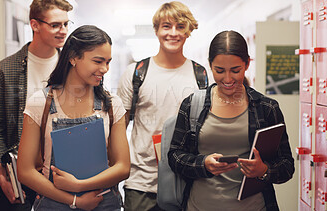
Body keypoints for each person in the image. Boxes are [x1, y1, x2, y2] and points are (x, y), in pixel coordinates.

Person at [168, 30, 295, 211]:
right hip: (199, 206)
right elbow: (174, 156)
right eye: (219, 71)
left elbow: (287, 166)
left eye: (236, 70)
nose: (228, 79)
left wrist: (264, 170)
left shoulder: (267, 108)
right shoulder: (192, 104)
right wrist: (202, 164)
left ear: (247, 64)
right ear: (210, 65)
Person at [17, 25, 130, 210]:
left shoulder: (111, 105)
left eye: (108, 62)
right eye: (98, 61)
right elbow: (25, 171)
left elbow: (123, 167)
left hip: (102, 202)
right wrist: (74, 200)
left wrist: (79, 186)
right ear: (73, 57)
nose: (105, 69)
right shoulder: (40, 102)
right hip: (53, 203)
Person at [117, 1, 206, 210]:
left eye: (180, 26)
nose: (173, 33)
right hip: (141, 183)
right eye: (166, 26)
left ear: (188, 31)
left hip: (186, 181)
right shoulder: (136, 73)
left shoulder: (201, 75)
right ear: (156, 30)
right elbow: (118, 129)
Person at [0, 0, 73, 210]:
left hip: (61, 173)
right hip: (18, 177)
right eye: (55, 25)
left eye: (66, 24)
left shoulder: (71, 68)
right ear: (34, 25)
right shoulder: (5, 69)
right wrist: (2, 174)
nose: (63, 31)